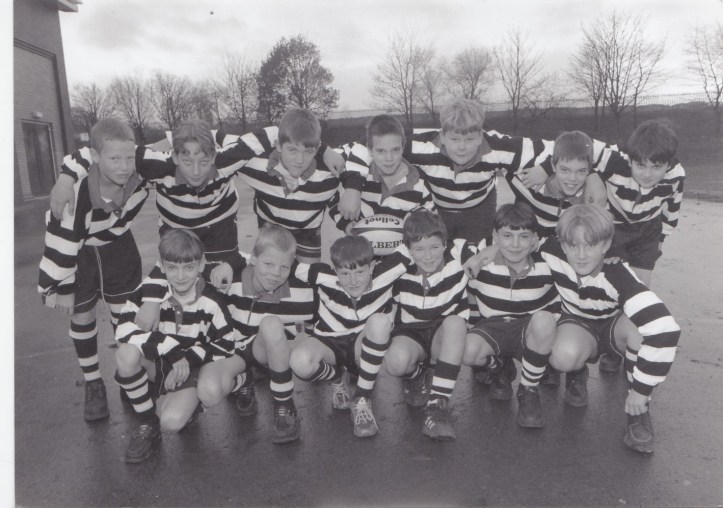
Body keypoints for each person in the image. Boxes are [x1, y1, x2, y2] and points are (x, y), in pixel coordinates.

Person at [539, 204, 680, 454]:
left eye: (591, 245)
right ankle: (577, 371)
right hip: (579, 324)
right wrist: (491, 250)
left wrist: (641, 390)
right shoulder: (550, 250)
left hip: (614, 327)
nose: (581, 255)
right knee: (562, 357)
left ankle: (639, 410)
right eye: (573, 246)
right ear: (562, 244)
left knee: (641, 331)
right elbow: (521, 241)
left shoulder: (617, 273)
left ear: (605, 246)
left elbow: (665, 329)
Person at [38, 118, 149, 422]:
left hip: (118, 247)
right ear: (97, 158)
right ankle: (93, 382)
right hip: (79, 253)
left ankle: (128, 375)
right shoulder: (77, 191)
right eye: (114, 158)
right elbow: (61, 243)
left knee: (124, 314)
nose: (124, 166)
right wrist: (62, 286)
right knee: (82, 315)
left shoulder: (140, 171)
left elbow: (174, 150)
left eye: (129, 157)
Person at [338, 98, 549, 245]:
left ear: (481, 135)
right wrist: (353, 189)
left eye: (470, 139)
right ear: (442, 135)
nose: (462, 147)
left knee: (474, 257)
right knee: (439, 256)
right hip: (437, 206)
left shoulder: (499, 146)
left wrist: (546, 168)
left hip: (478, 207)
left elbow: (560, 147)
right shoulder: (422, 144)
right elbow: (365, 143)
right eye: (454, 139)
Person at [114, 229, 240, 463]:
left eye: (188, 267)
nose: (180, 276)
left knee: (171, 422)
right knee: (125, 353)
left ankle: (185, 401)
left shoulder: (212, 301)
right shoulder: (148, 295)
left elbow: (224, 345)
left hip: (188, 368)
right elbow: (122, 331)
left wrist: (188, 359)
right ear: (162, 266)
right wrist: (171, 350)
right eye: (172, 268)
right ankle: (146, 422)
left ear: (202, 264)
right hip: (158, 362)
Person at [289, 235, 413, 437]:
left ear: (372, 266)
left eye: (360, 272)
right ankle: (338, 378)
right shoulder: (322, 276)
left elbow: (420, 241)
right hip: (329, 343)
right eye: (345, 273)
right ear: (335, 269)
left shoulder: (387, 272)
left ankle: (362, 398)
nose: (353, 281)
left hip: (361, 346)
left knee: (381, 322)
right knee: (299, 361)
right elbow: (283, 260)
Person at [463, 203, 560, 428]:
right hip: (492, 327)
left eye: (524, 236)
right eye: (507, 236)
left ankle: (528, 389)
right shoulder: (476, 260)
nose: (515, 244)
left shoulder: (550, 261)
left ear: (535, 239)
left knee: (544, 320)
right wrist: (482, 255)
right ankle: (499, 366)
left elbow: (576, 242)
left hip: (529, 329)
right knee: (464, 349)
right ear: (495, 236)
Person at [384, 210, 476, 441]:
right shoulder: (398, 267)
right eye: (419, 249)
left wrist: (479, 257)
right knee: (395, 362)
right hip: (410, 333)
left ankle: (436, 407)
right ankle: (415, 374)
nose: (427, 256)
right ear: (408, 249)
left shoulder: (459, 255)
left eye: (435, 247)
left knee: (456, 322)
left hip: (441, 334)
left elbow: (494, 249)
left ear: (445, 244)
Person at [233, 107, 349, 263]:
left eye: (308, 151)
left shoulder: (329, 172)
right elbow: (218, 150)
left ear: (316, 151)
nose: (299, 160)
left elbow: (363, 157)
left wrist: (348, 216)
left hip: (309, 232)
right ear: (279, 146)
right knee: (267, 277)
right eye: (292, 150)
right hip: (270, 229)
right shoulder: (256, 165)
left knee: (307, 280)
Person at [329, 114, 435, 234]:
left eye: (395, 150)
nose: (389, 158)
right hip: (361, 249)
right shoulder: (357, 176)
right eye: (380, 151)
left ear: (403, 148)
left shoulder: (419, 182)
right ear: (369, 150)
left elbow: (427, 216)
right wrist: (346, 223)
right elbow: (333, 199)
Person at [506, 131, 602, 238]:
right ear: (552, 165)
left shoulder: (590, 196)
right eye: (565, 170)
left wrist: (594, 177)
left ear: (589, 169)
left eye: (581, 171)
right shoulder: (529, 180)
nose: (572, 179)